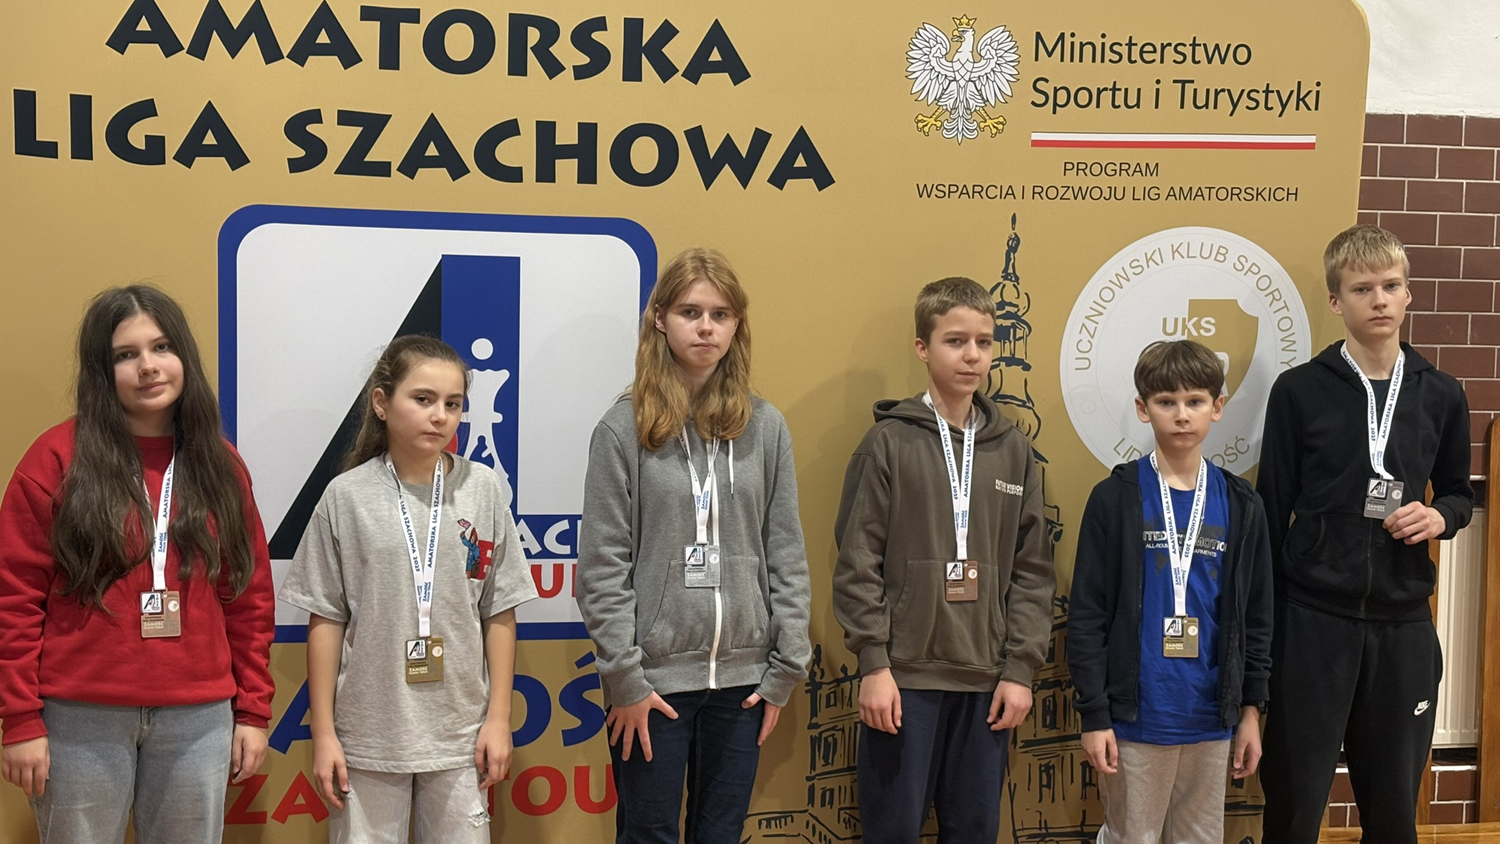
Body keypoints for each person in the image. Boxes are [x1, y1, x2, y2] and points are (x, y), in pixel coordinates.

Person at [0, 285, 275, 843]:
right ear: (102, 371)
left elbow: (248, 596)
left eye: (162, 347)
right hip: (79, 715)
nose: (148, 366)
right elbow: (14, 597)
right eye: (126, 354)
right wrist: (21, 718)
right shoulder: (55, 459)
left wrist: (252, 710)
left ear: (184, 356)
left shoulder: (221, 466)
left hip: (199, 717)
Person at [576, 247, 813, 844]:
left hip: (745, 683)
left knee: (721, 833)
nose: (706, 327)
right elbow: (602, 568)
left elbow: (785, 553)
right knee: (648, 833)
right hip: (653, 683)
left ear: (737, 326)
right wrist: (626, 679)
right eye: (690, 312)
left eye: (720, 314)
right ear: (660, 319)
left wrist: (785, 668)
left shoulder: (765, 427)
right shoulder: (621, 429)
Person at [1257, 224, 1473, 844]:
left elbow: (1459, 492)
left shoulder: (1442, 393)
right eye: (1362, 289)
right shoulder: (1299, 391)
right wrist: (1265, 634)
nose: (1379, 299)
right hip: (1312, 621)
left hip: (1402, 624)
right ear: (1336, 301)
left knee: (1394, 810)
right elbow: (1271, 511)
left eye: (1391, 286)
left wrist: (1440, 517)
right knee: (1295, 807)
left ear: (1408, 294)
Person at [279, 335, 537, 843]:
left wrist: (498, 718)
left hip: (461, 735)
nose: (439, 416)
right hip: (369, 735)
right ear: (382, 402)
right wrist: (324, 734)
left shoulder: (482, 489)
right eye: (423, 399)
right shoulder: (346, 497)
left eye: (453, 404)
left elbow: (499, 611)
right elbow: (326, 620)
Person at [832, 276, 1055, 843]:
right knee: (893, 832)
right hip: (902, 680)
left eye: (984, 342)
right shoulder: (888, 443)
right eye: (955, 341)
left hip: (988, 683)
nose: (972, 355)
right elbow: (857, 561)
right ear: (922, 347)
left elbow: (1032, 572)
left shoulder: (1014, 450)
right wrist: (874, 664)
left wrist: (1021, 670)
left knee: (975, 832)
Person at [1069, 339, 1273, 844]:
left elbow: (1256, 616)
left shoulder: (1242, 504)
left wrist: (1250, 710)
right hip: (1135, 718)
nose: (1182, 415)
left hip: (1211, 717)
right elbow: (1088, 614)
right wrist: (1094, 714)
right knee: (1130, 837)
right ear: (1144, 408)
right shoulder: (1114, 498)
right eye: (1166, 402)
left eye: (1195, 401)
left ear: (1217, 407)